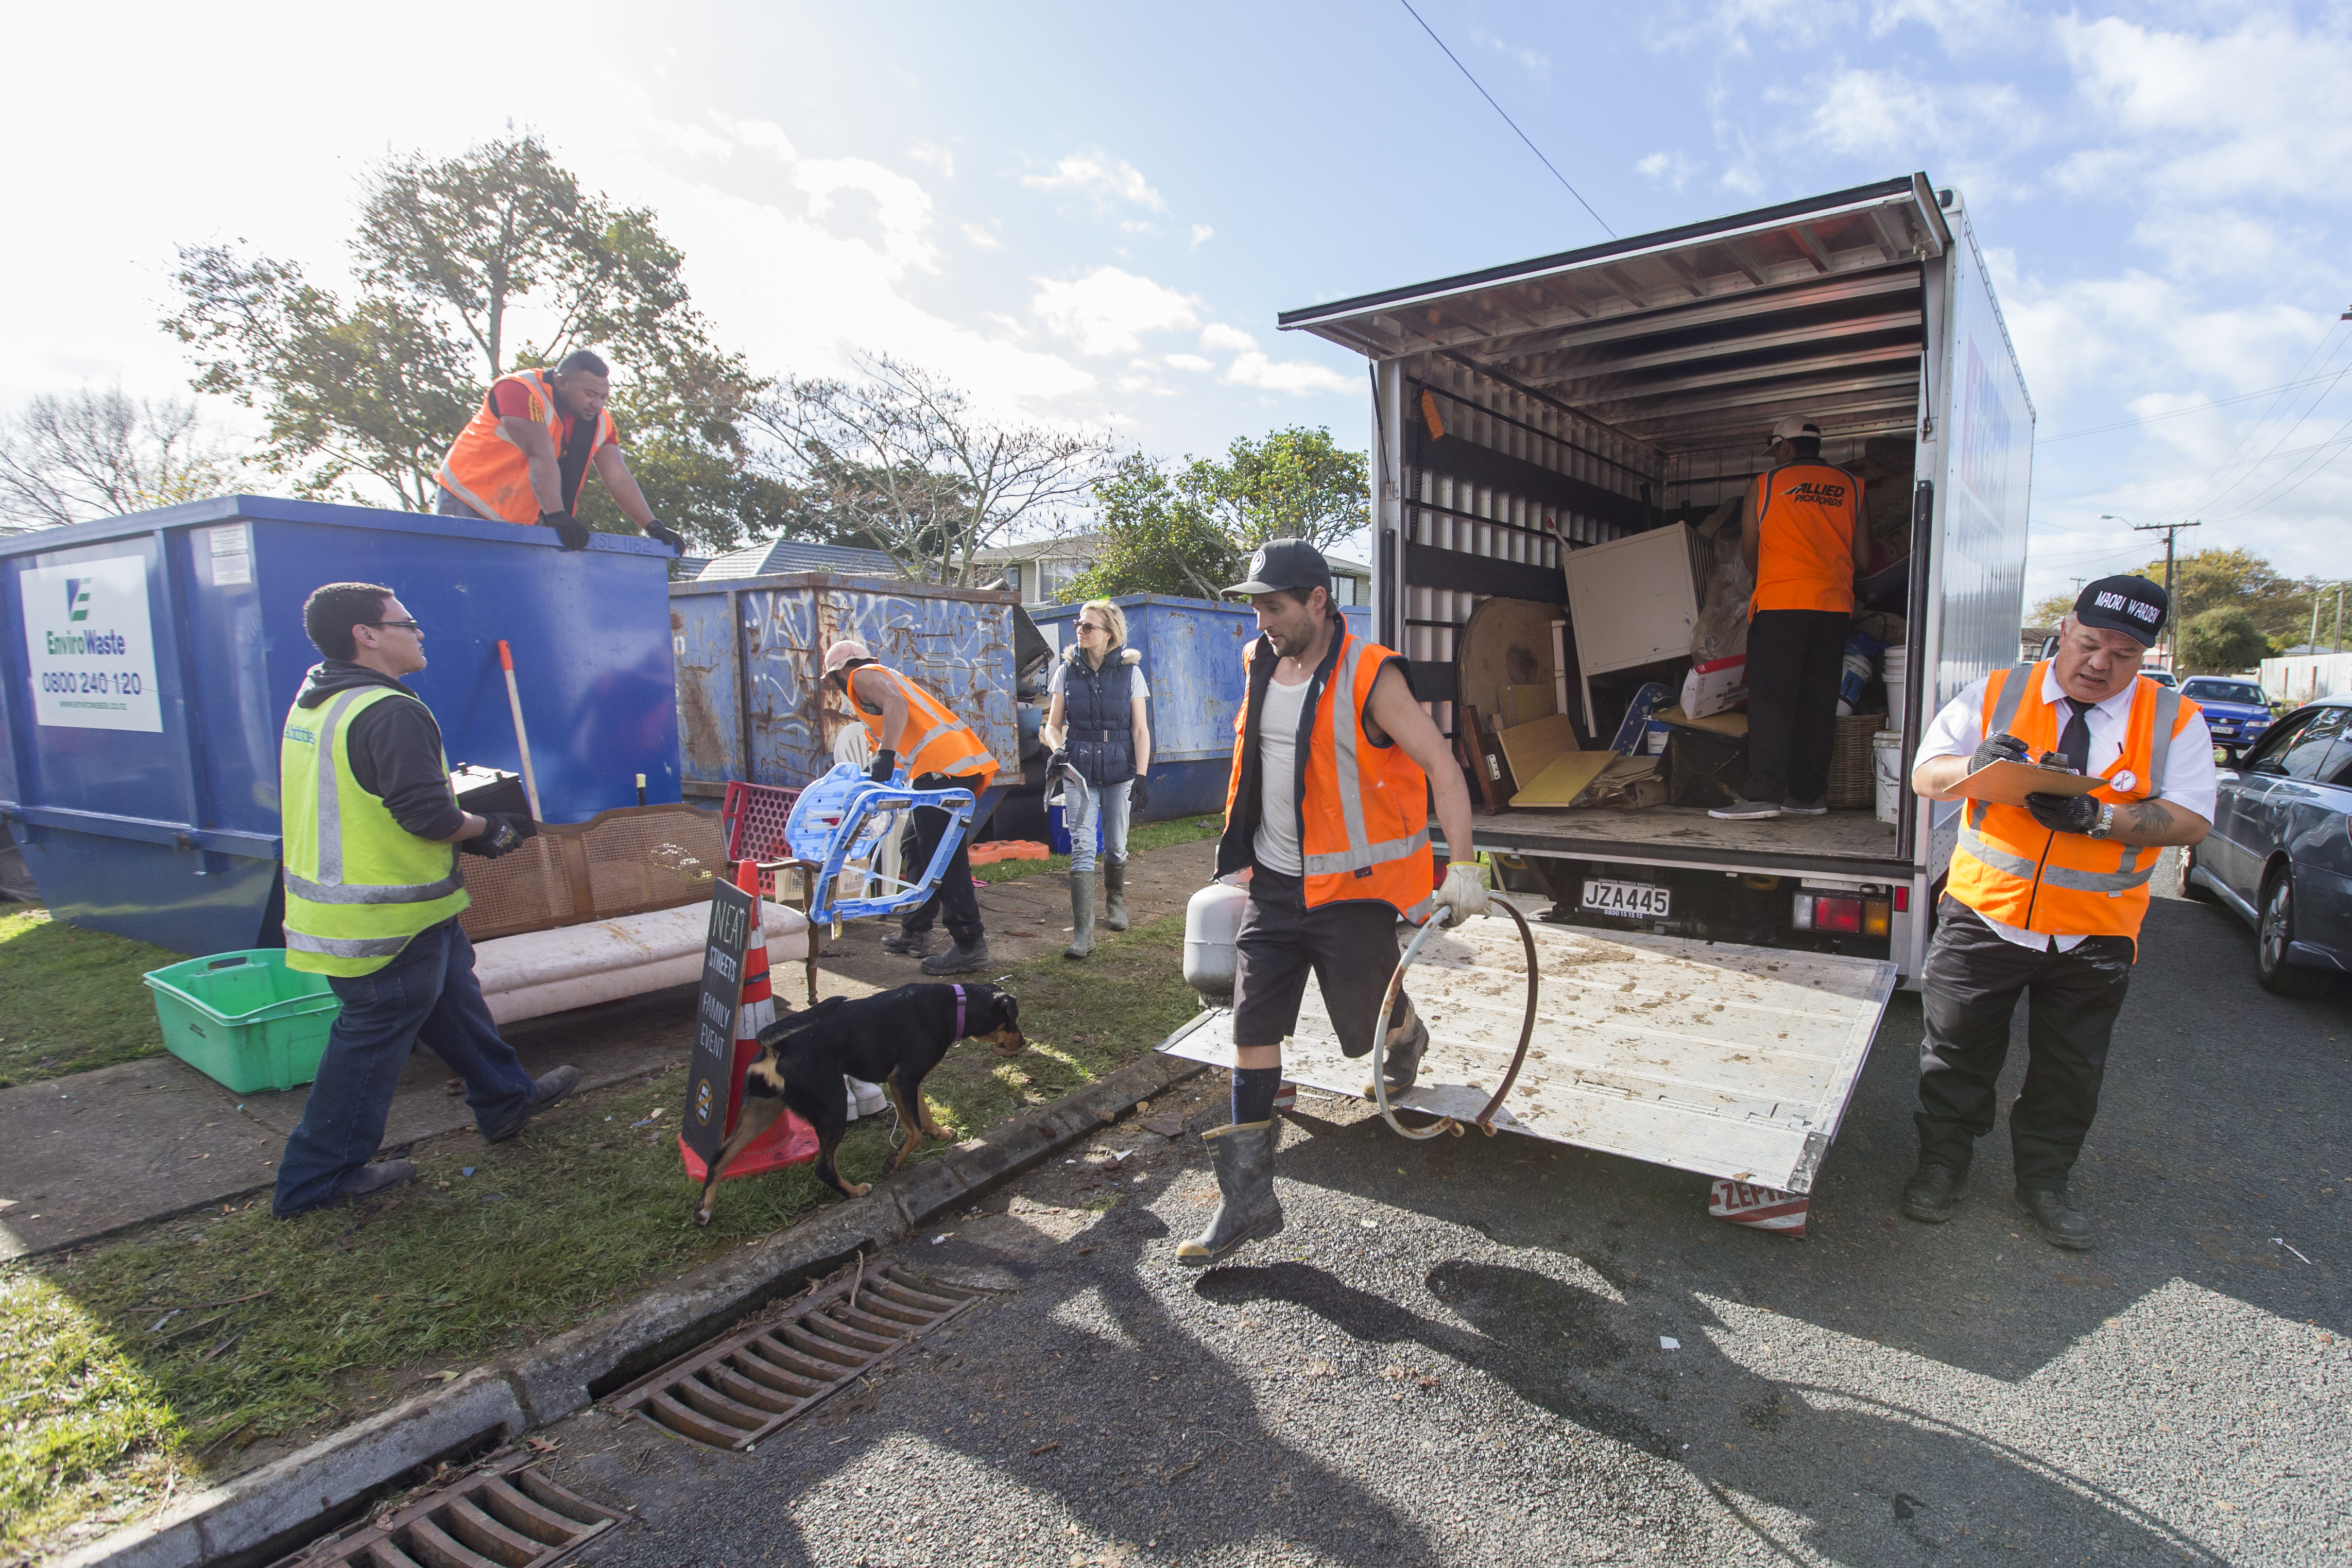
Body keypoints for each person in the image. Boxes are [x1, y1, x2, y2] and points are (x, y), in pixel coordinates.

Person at [1178, 540, 1490, 1265]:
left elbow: (1441, 764)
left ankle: (1405, 1031)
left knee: (1367, 1026)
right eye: (1255, 605)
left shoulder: (1369, 674)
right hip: (1276, 888)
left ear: (1319, 600)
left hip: (1350, 896)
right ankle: (1245, 1200)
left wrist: (1465, 865)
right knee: (1250, 1033)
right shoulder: (1261, 662)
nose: (1262, 619)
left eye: (1274, 605)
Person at [1902, 575, 2213, 1250]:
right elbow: (1924, 773)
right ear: (2064, 629)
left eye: (2124, 653)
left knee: (2068, 1071)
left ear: (2146, 658)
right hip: (1984, 915)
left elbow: (2190, 821)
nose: (2099, 663)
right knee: (1954, 1054)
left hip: (2093, 933)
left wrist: (2097, 815)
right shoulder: (1997, 693)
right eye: (2089, 642)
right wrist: (1970, 765)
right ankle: (1941, 1166)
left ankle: (2043, 1183)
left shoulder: (2173, 720)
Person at [272, 582, 579, 1216]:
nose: (418, 633)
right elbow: (426, 814)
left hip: (401, 907)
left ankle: (505, 1098)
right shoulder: (387, 711)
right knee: (370, 1041)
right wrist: (487, 828)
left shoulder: (319, 699)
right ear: (366, 634)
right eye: (406, 623)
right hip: (383, 917)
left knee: (453, 1003)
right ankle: (318, 1176)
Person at [1711, 413, 1869, 821]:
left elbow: (1750, 552)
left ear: (1784, 447)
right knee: (1818, 702)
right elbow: (1864, 558)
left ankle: (1763, 794)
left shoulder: (1764, 486)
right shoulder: (1853, 487)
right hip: (1834, 607)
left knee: (1772, 701)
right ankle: (1808, 795)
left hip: (1781, 604)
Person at [822, 639, 1000, 976]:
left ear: (838, 673)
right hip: (943, 769)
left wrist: (885, 755)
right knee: (914, 846)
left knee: (943, 858)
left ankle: (969, 944)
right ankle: (915, 930)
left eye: (833, 680)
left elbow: (896, 705)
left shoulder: (860, 676)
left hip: (941, 769)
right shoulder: (878, 679)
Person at [434, 349, 684, 554]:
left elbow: (617, 476)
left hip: (518, 522)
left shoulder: (601, 422)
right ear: (562, 382)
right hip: (468, 498)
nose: (597, 404)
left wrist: (652, 525)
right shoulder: (519, 390)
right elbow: (539, 455)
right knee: (460, 578)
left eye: (603, 397)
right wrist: (557, 515)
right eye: (590, 394)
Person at [1042, 599, 1153, 960]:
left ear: (1109, 634)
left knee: (1117, 845)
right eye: (1079, 623)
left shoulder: (1130, 672)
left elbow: (1140, 729)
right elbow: (1052, 726)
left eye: (1088, 626)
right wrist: (1057, 749)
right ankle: (1082, 934)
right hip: (1078, 769)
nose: (1080, 629)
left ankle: (1115, 902)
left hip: (1120, 770)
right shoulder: (1066, 671)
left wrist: (1141, 774)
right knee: (1082, 847)